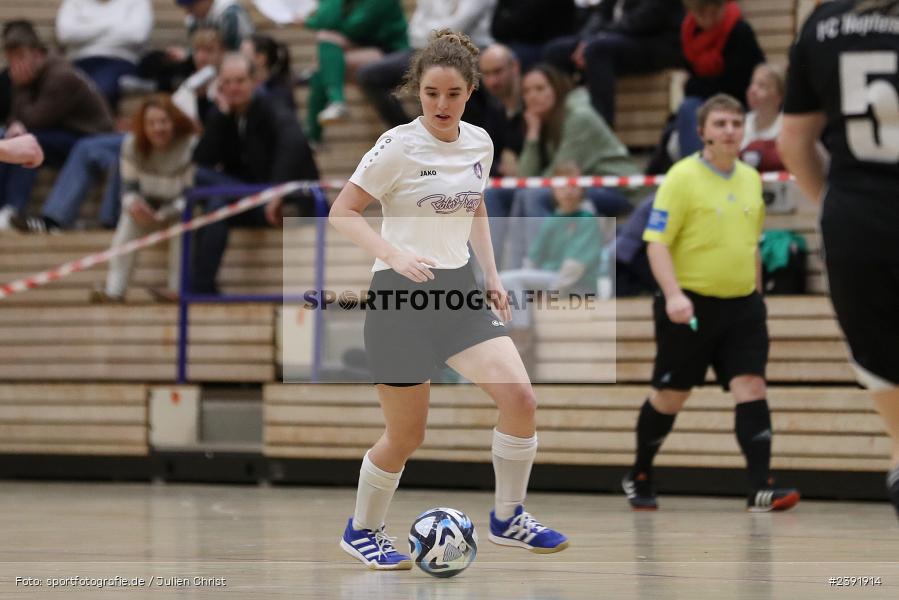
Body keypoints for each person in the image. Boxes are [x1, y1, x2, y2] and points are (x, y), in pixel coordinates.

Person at [329, 29, 568, 569]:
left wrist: (491, 275)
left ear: (470, 92)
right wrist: (393, 255)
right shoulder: (396, 146)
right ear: (418, 90)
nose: (441, 104)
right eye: (431, 93)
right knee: (406, 435)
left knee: (521, 400)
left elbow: (474, 206)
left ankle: (509, 518)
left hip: (458, 292)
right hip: (400, 298)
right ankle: (361, 529)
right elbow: (342, 213)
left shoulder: (479, 142)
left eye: (453, 93)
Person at [623, 94, 800, 512]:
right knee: (672, 396)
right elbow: (656, 244)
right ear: (702, 132)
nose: (729, 131)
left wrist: (756, 295)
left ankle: (761, 487)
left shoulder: (751, 179)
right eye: (720, 124)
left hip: (742, 307)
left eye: (736, 124)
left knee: (751, 387)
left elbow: (752, 243)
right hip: (690, 306)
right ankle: (640, 472)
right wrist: (673, 296)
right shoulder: (681, 178)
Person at [777, 0, 899, 519]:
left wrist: (835, 203)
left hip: (857, 221)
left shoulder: (823, 24)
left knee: (884, 371)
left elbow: (794, 141)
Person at [190, 53, 319, 296]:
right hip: (247, 198)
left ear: (255, 81)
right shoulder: (226, 115)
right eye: (226, 82)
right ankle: (202, 289)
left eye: (239, 80)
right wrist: (221, 116)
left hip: (280, 201)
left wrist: (276, 193)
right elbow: (203, 158)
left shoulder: (272, 105)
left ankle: (198, 287)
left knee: (203, 183)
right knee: (215, 206)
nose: (233, 87)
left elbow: (294, 143)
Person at [509, 63, 640, 268]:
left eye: (540, 89)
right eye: (526, 91)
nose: (532, 96)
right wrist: (533, 135)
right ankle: (501, 274)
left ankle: (545, 268)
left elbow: (557, 174)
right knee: (503, 195)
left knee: (532, 195)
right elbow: (524, 180)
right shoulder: (543, 121)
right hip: (583, 186)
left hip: (619, 189)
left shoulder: (579, 117)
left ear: (557, 89)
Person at [0, 20, 114, 229]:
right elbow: (15, 118)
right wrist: (15, 122)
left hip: (90, 136)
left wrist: (20, 89)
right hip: (59, 130)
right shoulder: (32, 73)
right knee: (7, 137)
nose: (16, 66)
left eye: (21, 57)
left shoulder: (60, 75)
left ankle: (13, 207)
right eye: (11, 59)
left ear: (37, 53)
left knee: (27, 142)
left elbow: (36, 119)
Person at [91, 95, 198, 302]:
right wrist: (134, 205)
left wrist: (164, 214)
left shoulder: (189, 145)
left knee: (183, 222)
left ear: (173, 122)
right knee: (128, 219)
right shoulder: (131, 145)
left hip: (179, 207)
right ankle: (115, 290)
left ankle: (177, 289)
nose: (158, 128)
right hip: (147, 205)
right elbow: (128, 188)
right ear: (143, 125)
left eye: (163, 122)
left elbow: (190, 192)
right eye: (151, 123)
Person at [499, 163, 603, 360]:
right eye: (563, 185)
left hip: (578, 287)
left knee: (508, 280)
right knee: (509, 287)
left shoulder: (587, 219)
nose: (568, 191)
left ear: (582, 188)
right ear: (553, 189)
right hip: (551, 281)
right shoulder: (553, 219)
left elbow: (575, 268)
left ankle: (522, 337)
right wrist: (533, 291)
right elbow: (533, 260)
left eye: (573, 185)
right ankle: (516, 339)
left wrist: (552, 292)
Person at [355, 0, 496, 128]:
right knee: (369, 75)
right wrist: (437, 34)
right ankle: (411, 132)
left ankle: (470, 134)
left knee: (459, 77)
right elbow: (413, 32)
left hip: (473, 51)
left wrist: (431, 31)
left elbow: (457, 28)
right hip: (425, 50)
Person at [542, 0, 684, 126]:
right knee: (555, 50)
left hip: (653, 45)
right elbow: (599, 16)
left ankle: (602, 127)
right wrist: (585, 40)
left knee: (597, 50)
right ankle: (557, 125)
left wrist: (596, 39)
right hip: (613, 37)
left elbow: (643, 20)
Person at [298, 0, 409, 143]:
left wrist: (309, 22)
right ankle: (330, 112)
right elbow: (327, 20)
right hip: (364, 47)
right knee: (325, 56)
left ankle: (315, 133)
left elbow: (355, 28)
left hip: (392, 52)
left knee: (326, 56)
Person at [674, 0, 764, 157]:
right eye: (702, 14)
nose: (709, 19)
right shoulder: (687, 34)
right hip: (705, 104)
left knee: (705, 114)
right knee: (687, 109)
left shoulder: (740, 31)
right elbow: (691, 83)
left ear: (723, 6)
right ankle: (698, 169)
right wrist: (698, 85)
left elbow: (737, 83)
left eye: (714, 12)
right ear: (692, 13)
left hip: (738, 102)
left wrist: (695, 84)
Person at [55, 0, 154, 110]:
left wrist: (86, 30)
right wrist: (114, 24)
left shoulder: (138, 2)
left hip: (120, 62)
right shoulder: (74, 2)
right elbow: (66, 35)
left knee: (100, 90)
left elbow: (137, 35)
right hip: (78, 62)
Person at [740, 63, 785, 172]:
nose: (753, 90)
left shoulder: (790, 127)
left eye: (762, 86)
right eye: (752, 83)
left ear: (779, 96)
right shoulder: (739, 123)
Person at [240, 33, 296, 112]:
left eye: (243, 54)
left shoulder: (278, 93)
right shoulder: (244, 89)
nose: (238, 59)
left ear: (261, 59)